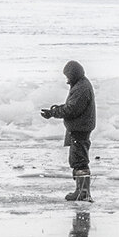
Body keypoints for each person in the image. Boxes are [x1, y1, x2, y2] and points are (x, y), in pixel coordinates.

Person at [40, 60, 96, 202]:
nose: (67, 80)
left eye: (68, 76)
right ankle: (82, 191)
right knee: (77, 159)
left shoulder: (81, 88)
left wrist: (54, 113)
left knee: (79, 161)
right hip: (79, 127)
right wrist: (57, 109)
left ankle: (82, 192)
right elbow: (72, 106)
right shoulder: (81, 85)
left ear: (73, 74)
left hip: (79, 128)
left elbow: (72, 109)